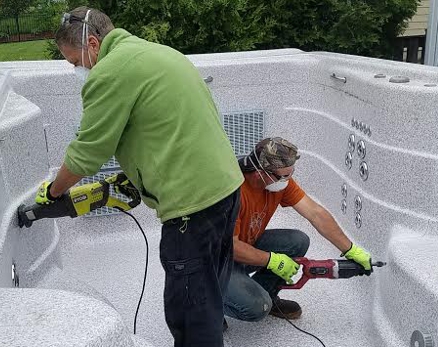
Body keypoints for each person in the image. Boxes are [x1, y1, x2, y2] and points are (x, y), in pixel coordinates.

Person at [34, 7, 243, 347]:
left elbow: (87, 153)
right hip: (226, 189)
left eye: (74, 62)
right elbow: (165, 127)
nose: (77, 69)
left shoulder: (109, 73)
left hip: (191, 207)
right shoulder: (155, 52)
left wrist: (54, 192)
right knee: (210, 288)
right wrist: (138, 178)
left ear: (91, 43)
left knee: (190, 310)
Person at [223, 137, 372, 323]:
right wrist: (272, 261)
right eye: (282, 176)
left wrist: (350, 249)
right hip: (216, 262)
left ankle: (267, 296)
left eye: (290, 174)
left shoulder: (277, 182)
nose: (287, 180)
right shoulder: (230, 190)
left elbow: (315, 213)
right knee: (255, 307)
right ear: (260, 172)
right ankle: (204, 305)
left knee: (297, 241)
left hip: (244, 248)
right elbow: (231, 247)